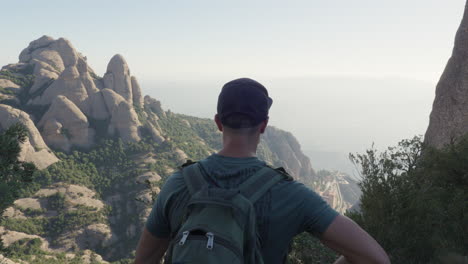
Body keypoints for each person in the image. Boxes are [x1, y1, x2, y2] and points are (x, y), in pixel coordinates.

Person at [135, 78, 390, 264]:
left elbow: (145, 259)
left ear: (217, 123)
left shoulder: (177, 183)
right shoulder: (292, 195)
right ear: (264, 126)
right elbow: (375, 259)